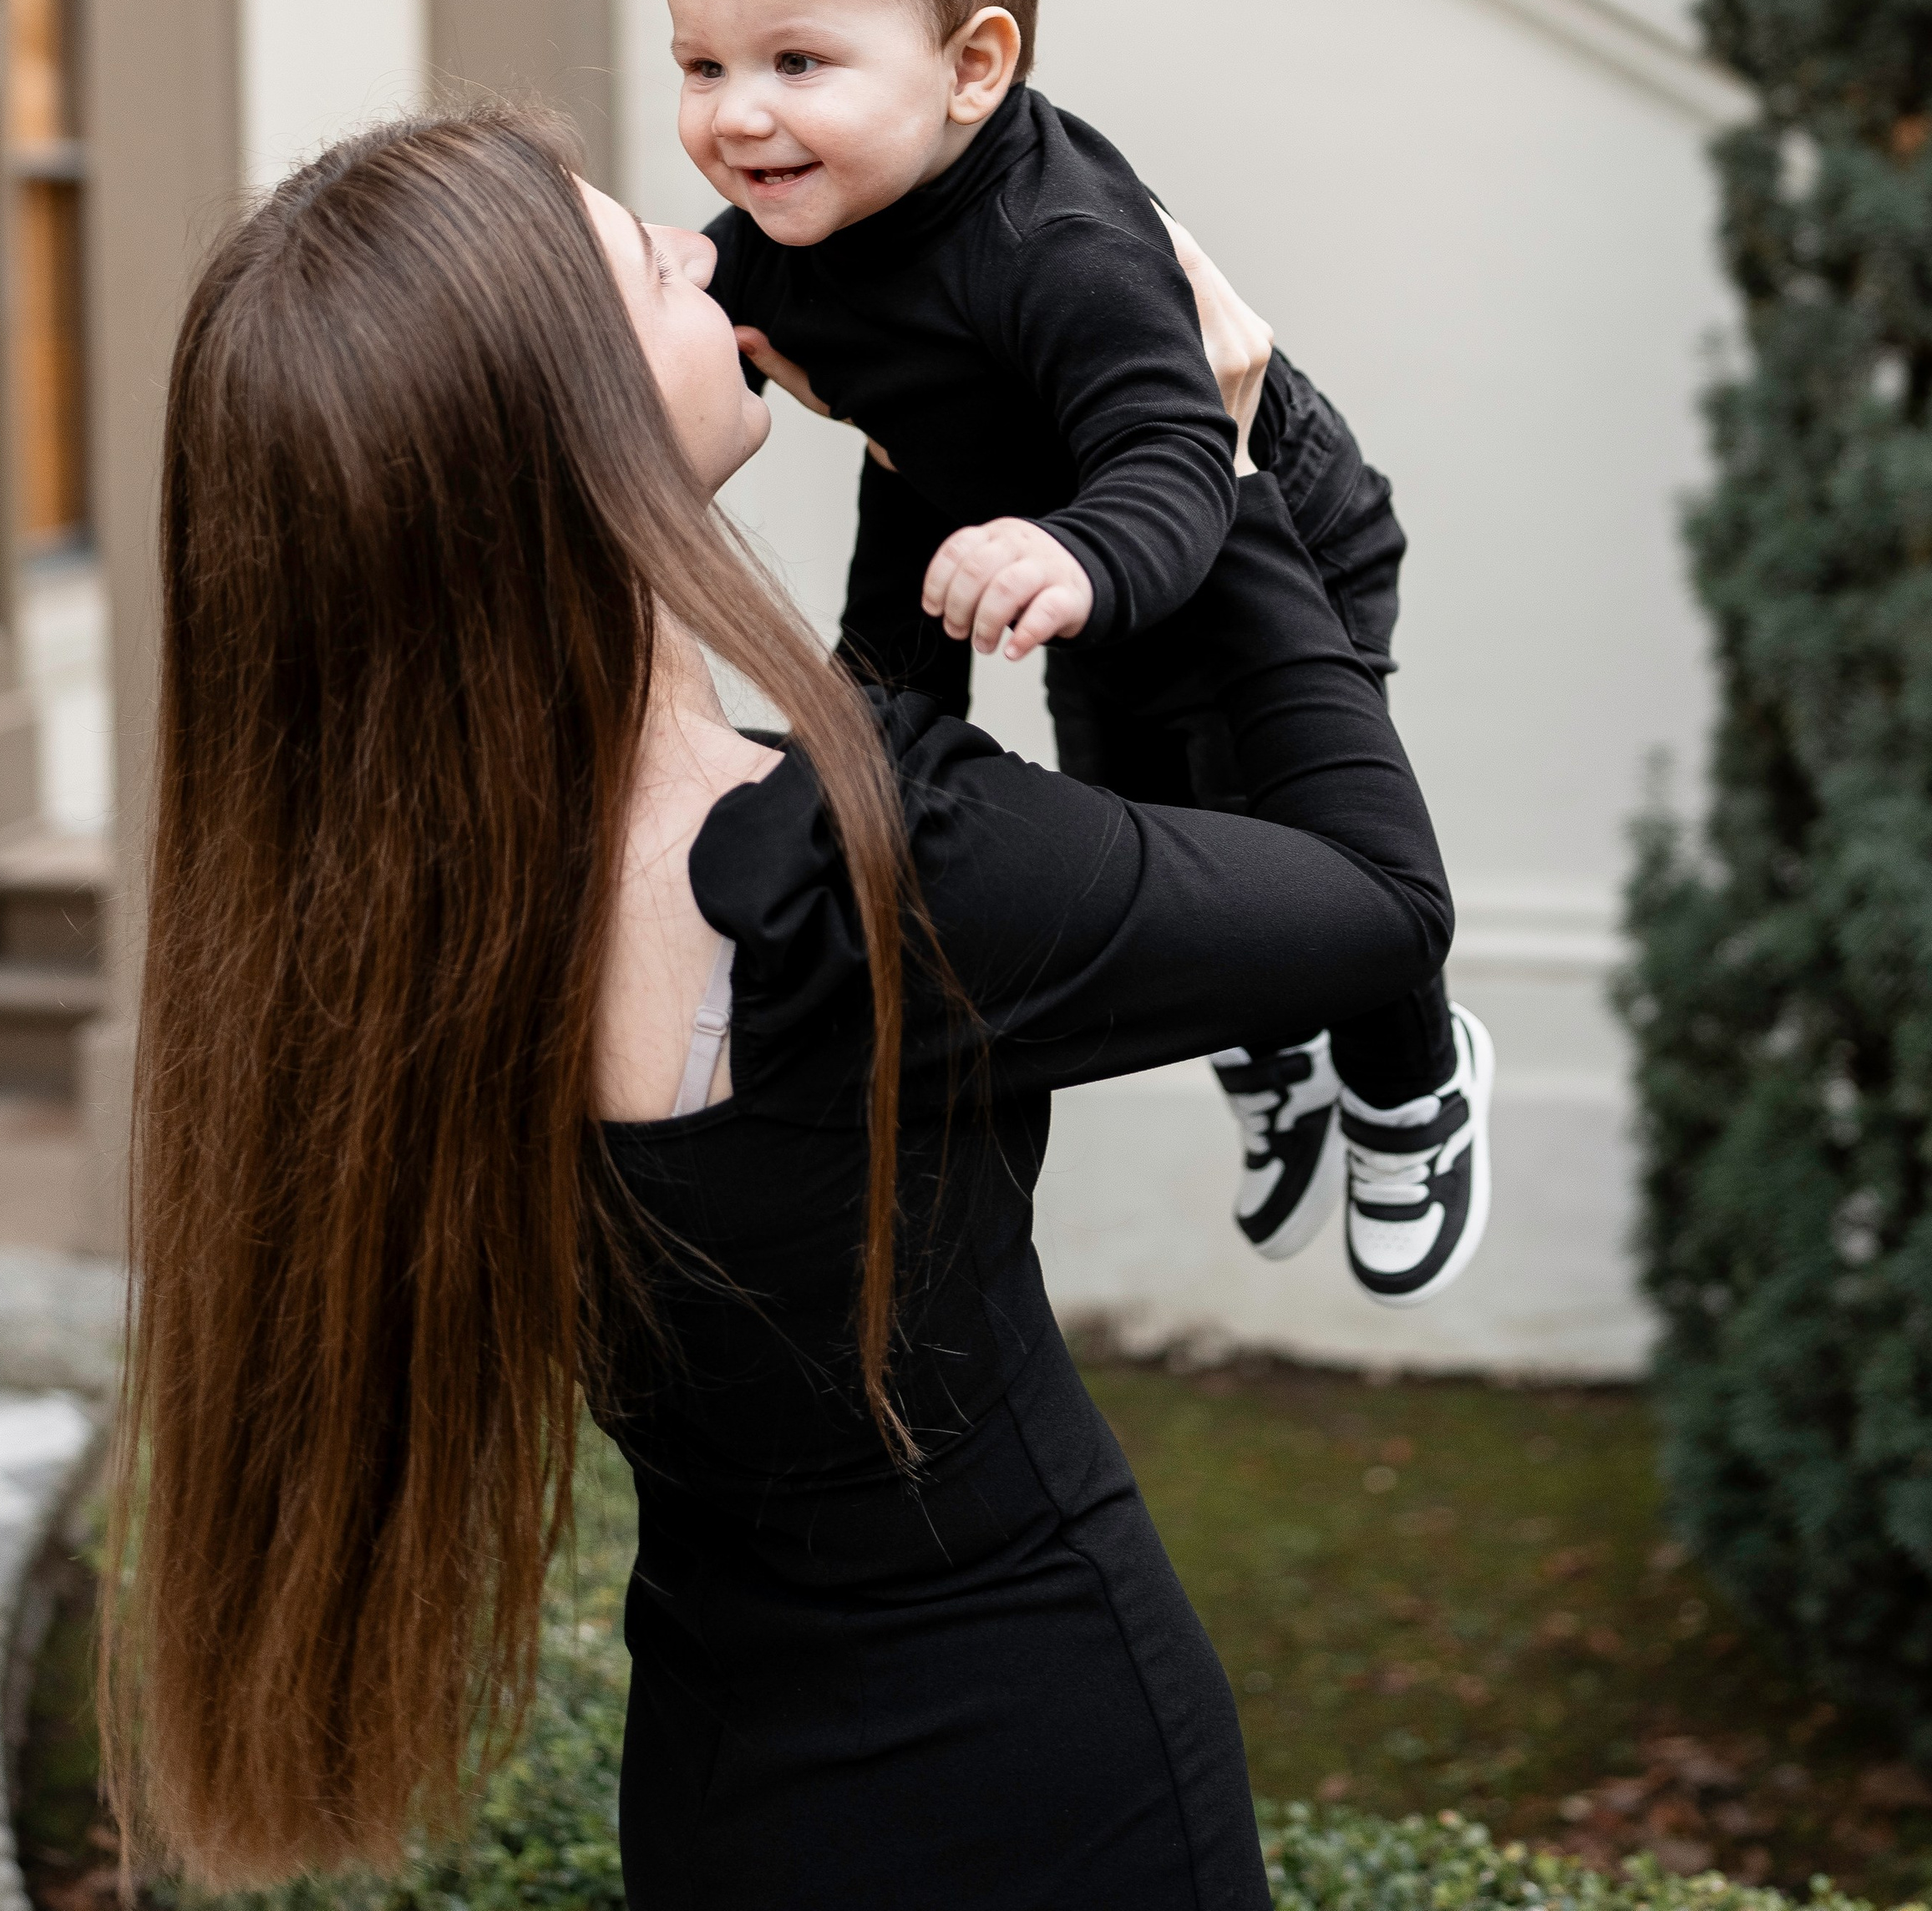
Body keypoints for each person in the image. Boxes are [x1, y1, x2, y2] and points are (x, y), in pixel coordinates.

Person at [108, 104, 1457, 1909]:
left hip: (724, 1783)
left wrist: (946, 426)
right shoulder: (874, 877)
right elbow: (1376, 907)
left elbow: (867, 700)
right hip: (1046, 1774)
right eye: (641, 263)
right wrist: (1214, 467)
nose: (703, 250)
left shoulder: (388, 927)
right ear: (561, 430)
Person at [662, 0, 1491, 1305]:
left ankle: (1411, 1080)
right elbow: (667, 319)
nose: (736, 114)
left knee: (1285, 819)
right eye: (700, 64)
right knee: (1145, 814)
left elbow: (1184, 450)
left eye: (794, 59)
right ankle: (1273, 1063)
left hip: (1243, 529)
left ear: (975, 66)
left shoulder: (1063, 247)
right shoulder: (797, 224)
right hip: (1045, 552)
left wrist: (1080, 559)